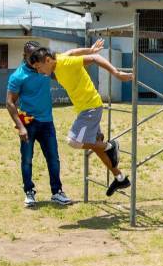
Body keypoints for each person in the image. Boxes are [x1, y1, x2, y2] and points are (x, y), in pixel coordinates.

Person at [6, 39, 102, 208]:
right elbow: (10, 102)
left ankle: (57, 192)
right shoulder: (17, 76)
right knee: (27, 159)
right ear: (25, 56)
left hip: (47, 122)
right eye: (32, 58)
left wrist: (91, 50)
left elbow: (70, 55)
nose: (38, 62)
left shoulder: (47, 68)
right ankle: (29, 192)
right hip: (28, 122)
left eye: (40, 57)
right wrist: (20, 126)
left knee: (53, 159)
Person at [28, 47, 134, 196]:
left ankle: (111, 146)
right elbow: (71, 51)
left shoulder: (65, 63)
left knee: (73, 141)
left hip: (90, 107)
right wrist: (89, 49)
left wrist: (116, 73)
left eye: (39, 68)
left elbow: (96, 58)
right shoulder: (57, 61)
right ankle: (120, 177)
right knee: (96, 146)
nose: (39, 71)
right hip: (86, 108)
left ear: (47, 60)